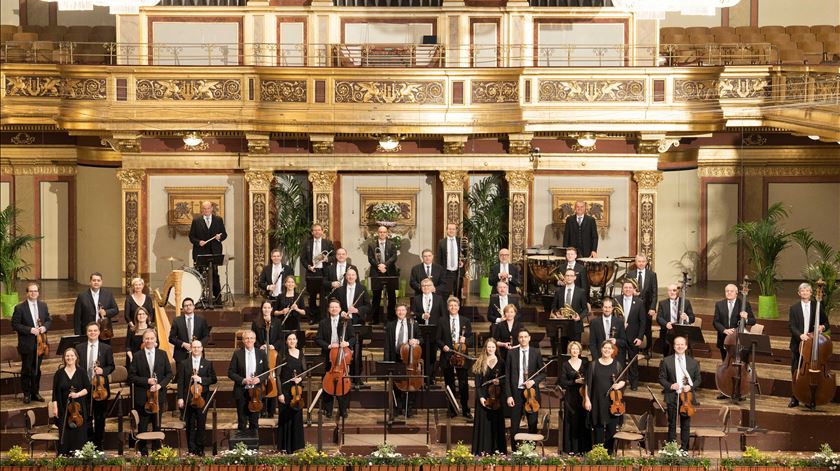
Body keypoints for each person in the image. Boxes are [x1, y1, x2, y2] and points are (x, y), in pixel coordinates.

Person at [128, 329, 172, 455]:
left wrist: (159, 385)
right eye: (147, 338)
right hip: (143, 397)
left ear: (155, 340)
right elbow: (131, 377)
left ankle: (157, 453)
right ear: (143, 340)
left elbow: (169, 374)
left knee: (157, 425)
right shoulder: (137, 356)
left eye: (151, 338)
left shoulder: (162, 354)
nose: (149, 341)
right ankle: (143, 453)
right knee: (143, 426)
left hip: (158, 397)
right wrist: (147, 381)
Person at [787, 282, 828, 408]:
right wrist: (800, 335)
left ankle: (809, 397)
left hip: (812, 345)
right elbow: (791, 326)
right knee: (796, 372)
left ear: (811, 293)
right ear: (799, 293)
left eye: (807, 291)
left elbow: (826, 323)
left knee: (811, 372)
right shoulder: (794, 308)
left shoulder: (817, 306)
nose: (805, 293)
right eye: (802, 291)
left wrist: (822, 327)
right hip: (798, 344)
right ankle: (795, 398)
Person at [658, 335, 700, 450]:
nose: (680, 346)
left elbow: (698, 380)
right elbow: (661, 378)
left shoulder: (693, 362)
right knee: (672, 424)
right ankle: (671, 449)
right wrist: (670, 385)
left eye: (682, 344)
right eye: (677, 344)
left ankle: (684, 449)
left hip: (687, 398)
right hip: (672, 396)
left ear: (686, 346)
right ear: (674, 346)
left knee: (685, 425)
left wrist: (690, 387)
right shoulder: (666, 361)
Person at [76, 322, 115, 447]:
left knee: (99, 418)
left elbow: (111, 366)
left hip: (100, 388)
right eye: (90, 331)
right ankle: (87, 444)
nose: (92, 333)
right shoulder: (79, 348)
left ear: (99, 332)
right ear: (87, 333)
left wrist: (103, 371)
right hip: (84, 386)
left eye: (95, 331)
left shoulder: (106, 348)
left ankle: (98, 444)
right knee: (86, 416)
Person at [11, 282, 51, 404]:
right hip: (27, 344)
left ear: (38, 293)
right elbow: (15, 325)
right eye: (31, 291)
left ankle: (35, 392)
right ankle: (27, 394)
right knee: (27, 369)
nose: (33, 293)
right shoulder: (20, 308)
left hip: (41, 344)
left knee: (37, 370)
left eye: (35, 291)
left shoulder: (43, 306)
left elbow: (49, 320)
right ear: (27, 293)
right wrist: (30, 330)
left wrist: (44, 327)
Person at [505, 328, 545, 450]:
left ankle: (531, 450)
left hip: (531, 393)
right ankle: (515, 451)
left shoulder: (536, 352)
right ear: (518, 339)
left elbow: (543, 373)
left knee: (532, 423)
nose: (523, 339)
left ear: (529, 338)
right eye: (521, 337)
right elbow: (507, 375)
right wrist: (509, 395)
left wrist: (533, 381)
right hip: (516, 392)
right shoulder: (511, 353)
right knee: (515, 425)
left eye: (525, 336)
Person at [316, 299, 356, 418]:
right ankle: (328, 410)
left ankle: (343, 409)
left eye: (336, 307)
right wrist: (329, 345)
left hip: (343, 355)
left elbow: (354, 338)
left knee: (344, 384)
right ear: (328, 309)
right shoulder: (323, 323)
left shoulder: (346, 322)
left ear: (340, 309)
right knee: (327, 384)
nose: (334, 309)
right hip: (329, 357)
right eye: (331, 307)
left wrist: (347, 343)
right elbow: (318, 339)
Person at [176, 339, 217, 456]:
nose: (196, 349)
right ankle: (191, 449)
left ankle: (200, 449)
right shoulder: (184, 363)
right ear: (191, 349)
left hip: (202, 399)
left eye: (198, 347)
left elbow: (213, 379)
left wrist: (201, 380)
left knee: (200, 424)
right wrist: (180, 398)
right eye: (194, 347)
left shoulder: (208, 363)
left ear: (202, 349)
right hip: (188, 398)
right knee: (189, 425)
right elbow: (181, 382)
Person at [584, 341, 625, 455]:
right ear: (601, 349)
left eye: (609, 348)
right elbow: (587, 384)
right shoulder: (593, 365)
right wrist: (587, 399)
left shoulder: (617, 365)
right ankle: (598, 453)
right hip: (597, 400)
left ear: (613, 351)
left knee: (612, 429)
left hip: (613, 402)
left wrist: (619, 385)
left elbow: (623, 380)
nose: (607, 350)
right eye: (605, 348)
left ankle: (610, 454)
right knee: (598, 428)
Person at [49, 347, 91, 456]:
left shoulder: (81, 372)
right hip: (63, 407)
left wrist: (77, 394)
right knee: (65, 433)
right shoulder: (59, 373)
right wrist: (55, 407)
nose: (70, 358)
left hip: (79, 408)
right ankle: (65, 456)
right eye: (67, 356)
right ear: (64, 358)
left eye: (72, 355)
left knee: (79, 433)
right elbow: (55, 392)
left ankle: (79, 455)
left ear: (76, 357)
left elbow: (87, 388)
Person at [438, 296, 473, 418]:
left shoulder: (465, 321)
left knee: (463, 384)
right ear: (448, 308)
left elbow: (471, 338)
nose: (453, 307)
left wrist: (466, 340)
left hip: (461, 356)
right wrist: (443, 347)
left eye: (455, 305)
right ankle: (452, 409)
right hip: (447, 355)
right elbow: (438, 339)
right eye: (451, 306)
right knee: (449, 384)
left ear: (459, 307)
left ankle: (465, 409)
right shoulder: (442, 320)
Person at [471, 338, 507, 455]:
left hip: (496, 398)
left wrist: (499, 382)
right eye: (489, 347)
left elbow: (505, 380)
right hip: (483, 397)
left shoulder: (501, 362)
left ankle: (497, 450)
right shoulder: (480, 362)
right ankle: (482, 450)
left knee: (496, 424)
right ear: (485, 348)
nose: (491, 349)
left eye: (493, 347)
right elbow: (477, 383)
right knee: (483, 424)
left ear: (496, 348)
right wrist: (481, 397)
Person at [228, 330, 268, 432]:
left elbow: (267, 371)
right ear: (243, 340)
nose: (249, 340)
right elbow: (231, 372)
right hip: (241, 391)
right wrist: (243, 380)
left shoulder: (261, 353)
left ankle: (254, 447)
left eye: (251, 338)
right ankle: (242, 447)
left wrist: (259, 378)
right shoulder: (237, 354)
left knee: (254, 421)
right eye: (246, 338)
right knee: (242, 421)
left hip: (256, 392)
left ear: (254, 340)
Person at [384, 304, 421, 416]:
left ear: (406, 312)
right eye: (398, 310)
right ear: (396, 312)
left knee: (410, 383)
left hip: (409, 358)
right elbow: (387, 344)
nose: (401, 312)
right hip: (395, 357)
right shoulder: (390, 325)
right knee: (397, 384)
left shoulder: (413, 324)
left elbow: (421, 338)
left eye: (403, 310)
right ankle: (398, 408)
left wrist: (416, 341)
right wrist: (386, 361)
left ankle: (408, 408)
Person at [336, 267, 370, 387]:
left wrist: (357, 310)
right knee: (342, 349)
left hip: (357, 323)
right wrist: (341, 312)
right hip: (343, 323)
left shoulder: (362, 289)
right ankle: (341, 374)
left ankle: (357, 378)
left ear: (356, 276)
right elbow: (335, 304)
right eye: (348, 275)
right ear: (346, 277)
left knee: (358, 351)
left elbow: (368, 306)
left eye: (353, 275)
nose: (350, 277)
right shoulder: (340, 290)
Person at [188, 200, 227, 301]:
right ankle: (198, 298)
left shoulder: (218, 220)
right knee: (199, 276)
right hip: (200, 253)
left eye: (208, 208)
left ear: (211, 209)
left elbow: (224, 234)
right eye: (204, 209)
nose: (206, 210)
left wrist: (219, 237)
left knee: (214, 275)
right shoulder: (196, 221)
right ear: (202, 209)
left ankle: (217, 298)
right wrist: (198, 242)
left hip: (214, 253)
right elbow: (191, 237)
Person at [252, 300, 283, 417]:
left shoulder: (277, 322)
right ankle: (261, 407)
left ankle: (271, 410)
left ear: (271, 309)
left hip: (273, 354)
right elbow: (253, 338)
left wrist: (273, 345)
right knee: (261, 379)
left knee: (272, 378)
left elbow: (280, 339)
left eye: (268, 307)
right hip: (261, 354)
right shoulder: (256, 322)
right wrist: (260, 346)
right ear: (262, 309)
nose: (266, 309)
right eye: (264, 307)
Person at [410, 278, 443, 386]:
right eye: (423, 286)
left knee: (433, 355)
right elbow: (413, 313)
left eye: (428, 285)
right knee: (422, 354)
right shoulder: (416, 299)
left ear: (432, 287)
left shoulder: (439, 298)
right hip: (421, 330)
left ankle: (431, 378)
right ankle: (422, 378)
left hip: (434, 330)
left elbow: (443, 316)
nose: (426, 287)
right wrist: (421, 315)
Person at [559, 341, 591, 454]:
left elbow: (590, 378)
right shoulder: (565, 364)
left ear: (580, 350)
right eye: (573, 349)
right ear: (569, 350)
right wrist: (574, 381)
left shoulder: (585, 362)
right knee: (571, 421)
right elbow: (562, 381)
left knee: (583, 421)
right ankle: (571, 449)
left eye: (577, 349)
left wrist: (584, 381)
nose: (575, 351)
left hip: (583, 395)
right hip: (570, 397)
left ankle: (583, 449)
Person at [277, 331, 306, 453]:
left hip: (297, 391)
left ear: (297, 341)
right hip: (285, 390)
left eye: (294, 339)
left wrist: (301, 377)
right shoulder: (282, 355)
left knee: (296, 417)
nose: (292, 341)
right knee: (285, 418)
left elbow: (304, 371)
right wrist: (280, 393)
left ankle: (296, 446)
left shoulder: (301, 354)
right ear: (286, 341)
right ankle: (285, 447)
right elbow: (277, 375)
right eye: (290, 339)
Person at [712, 283, 755, 361]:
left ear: (736, 292)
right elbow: (715, 322)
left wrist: (746, 318)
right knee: (725, 362)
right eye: (727, 291)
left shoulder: (744, 304)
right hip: (723, 338)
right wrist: (724, 330)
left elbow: (753, 321)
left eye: (731, 291)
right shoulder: (719, 304)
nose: (729, 293)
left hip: (738, 339)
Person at [615, 279, 645, 390]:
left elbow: (643, 322)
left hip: (633, 337)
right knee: (620, 362)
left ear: (634, 290)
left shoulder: (639, 302)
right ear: (622, 289)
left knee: (633, 362)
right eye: (625, 288)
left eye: (630, 288)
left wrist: (640, 337)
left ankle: (634, 384)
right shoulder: (616, 300)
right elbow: (613, 318)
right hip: (619, 337)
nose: (628, 289)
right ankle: (621, 383)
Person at [301, 223, 335, 321]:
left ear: (322, 231)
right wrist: (308, 266)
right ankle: (312, 317)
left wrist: (327, 259)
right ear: (312, 232)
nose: (317, 232)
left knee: (324, 297)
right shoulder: (307, 243)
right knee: (312, 297)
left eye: (319, 230)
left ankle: (323, 318)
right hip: (312, 273)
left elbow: (334, 257)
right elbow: (303, 259)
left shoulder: (328, 243)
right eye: (315, 230)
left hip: (324, 273)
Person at [626, 254, 658, 358]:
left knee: (647, 328)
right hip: (633, 306)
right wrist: (631, 292)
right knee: (633, 327)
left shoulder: (652, 274)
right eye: (639, 261)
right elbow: (625, 289)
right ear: (635, 262)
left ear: (646, 262)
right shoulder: (630, 274)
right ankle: (632, 348)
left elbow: (654, 293)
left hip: (646, 307)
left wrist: (653, 307)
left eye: (643, 261)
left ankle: (646, 349)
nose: (641, 263)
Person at [551, 268, 589, 355]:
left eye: (571, 276)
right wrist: (557, 314)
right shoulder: (559, 291)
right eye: (567, 275)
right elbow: (553, 306)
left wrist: (579, 317)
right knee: (562, 352)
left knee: (576, 351)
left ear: (575, 277)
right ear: (564, 277)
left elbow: (585, 309)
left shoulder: (581, 292)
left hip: (575, 326)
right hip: (562, 325)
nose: (569, 277)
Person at [73, 272, 119, 337]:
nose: (96, 282)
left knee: (104, 347)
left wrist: (106, 312)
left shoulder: (108, 294)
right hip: (88, 332)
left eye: (98, 280)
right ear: (90, 282)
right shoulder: (82, 296)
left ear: (101, 282)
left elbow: (116, 310)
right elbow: (77, 318)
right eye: (94, 280)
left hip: (104, 331)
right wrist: (78, 335)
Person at [368, 225, 398, 324]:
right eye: (380, 232)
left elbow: (394, 257)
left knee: (392, 297)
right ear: (378, 233)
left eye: (384, 232)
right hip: (376, 272)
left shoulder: (392, 244)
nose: (382, 234)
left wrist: (385, 265)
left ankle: (391, 318)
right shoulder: (372, 245)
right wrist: (379, 266)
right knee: (376, 297)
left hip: (389, 272)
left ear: (387, 233)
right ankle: (375, 319)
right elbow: (370, 258)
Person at [656, 283, 695, 356]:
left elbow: (692, 318)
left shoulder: (685, 302)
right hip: (667, 333)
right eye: (670, 290)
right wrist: (666, 324)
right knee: (667, 356)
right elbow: (659, 318)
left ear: (678, 291)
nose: (672, 292)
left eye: (674, 290)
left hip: (681, 333)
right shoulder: (662, 303)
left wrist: (687, 318)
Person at [168, 297, 210, 364]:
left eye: (190, 305)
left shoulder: (201, 320)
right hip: (181, 355)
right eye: (186, 306)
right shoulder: (177, 321)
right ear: (183, 308)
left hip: (198, 353)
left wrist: (197, 345)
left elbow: (207, 336)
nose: (188, 307)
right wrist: (183, 344)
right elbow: (171, 338)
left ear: (194, 307)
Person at [322, 248, 356, 316]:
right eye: (339, 254)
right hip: (334, 296)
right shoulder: (329, 268)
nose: (341, 256)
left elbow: (356, 282)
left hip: (348, 295)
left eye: (343, 254)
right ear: (336, 256)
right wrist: (332, 283)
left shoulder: (352, 267)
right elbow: (324, 282)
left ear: (346, 256)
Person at [437, 223, 464, 300]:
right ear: (446, 230)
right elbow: (439, 258)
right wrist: (440, 273)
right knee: (445, 294)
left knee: (458, 294)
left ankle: (457, 310)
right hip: (446, 272)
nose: (451, 230)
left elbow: (464, 255)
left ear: (456, 230)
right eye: (449, 229)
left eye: (453, 229)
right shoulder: (441, 242)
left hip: (457, 272)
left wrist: (462, 262)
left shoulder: (460, 241)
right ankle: (444, 311)